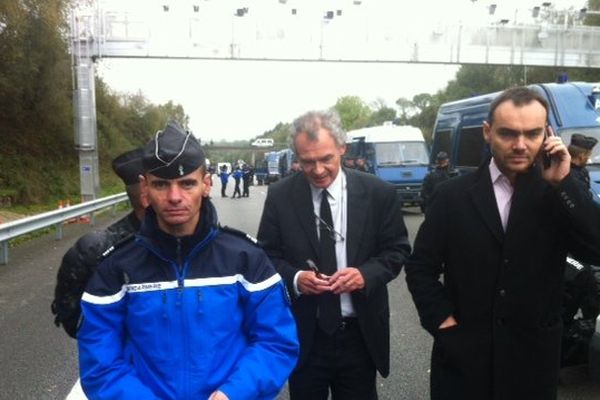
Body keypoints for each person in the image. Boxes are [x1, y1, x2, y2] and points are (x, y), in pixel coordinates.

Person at [77, 121, 299, 400]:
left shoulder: (246, 259)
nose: (174, 197)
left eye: (187, 183)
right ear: (144, 189)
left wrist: (234, 393)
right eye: (161, 184)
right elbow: (99, 362)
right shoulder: (116, 267)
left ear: (206, 184)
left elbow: (276, 341)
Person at [405, 87, 600, 400]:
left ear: (548, 135)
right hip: (463, 360)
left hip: (533, 362)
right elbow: (420, 268)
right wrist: (443, 323)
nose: (520, 145)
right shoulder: (452, 195)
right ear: (487, 132)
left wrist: (565, 183)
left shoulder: (558, 194)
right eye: (508, 133)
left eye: (532, 134)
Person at [257, 110, 411, 400]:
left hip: (358, 334)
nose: (317, 170)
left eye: (326, 158)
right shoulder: (280, 195)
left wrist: (365, 275)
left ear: (343, 148)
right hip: (306, 334)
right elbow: (265, 255)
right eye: (307, 162)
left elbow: (397, 250)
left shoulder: (379, 193)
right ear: (296, 157)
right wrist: (297, 278)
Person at [51, 147, 147, 338]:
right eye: (164, 185)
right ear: (145, 194)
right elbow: (74, 321)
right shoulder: (96, 250)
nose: (176, 196)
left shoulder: (197, 240)